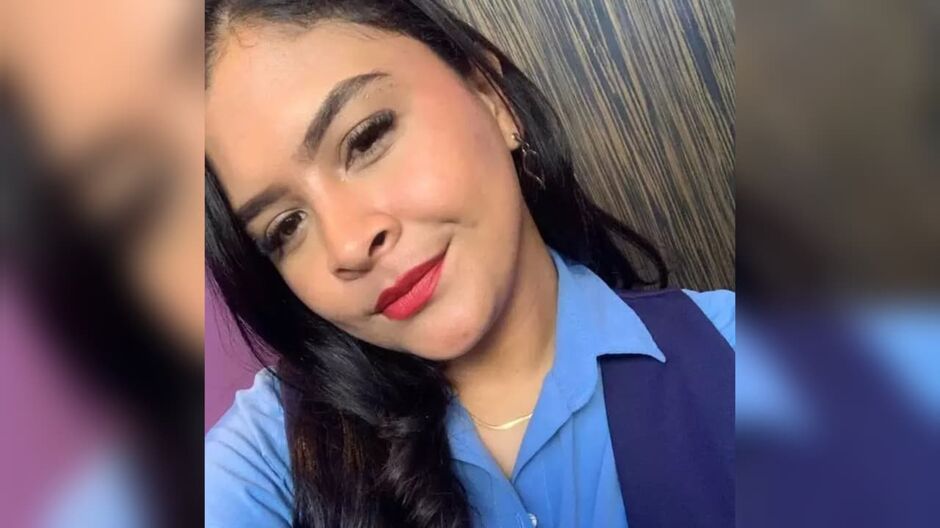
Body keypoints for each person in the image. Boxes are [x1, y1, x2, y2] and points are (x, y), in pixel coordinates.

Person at [204, 1, 734, 527]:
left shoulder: (736, 354)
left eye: (366, 139)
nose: (346, 246)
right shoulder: (271, 455)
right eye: (285, 227)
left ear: (492, 97)